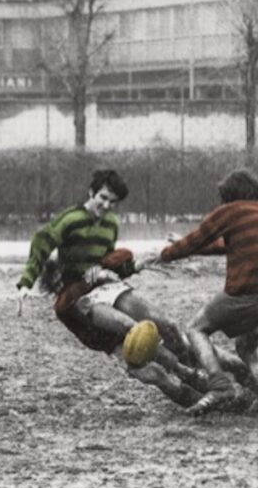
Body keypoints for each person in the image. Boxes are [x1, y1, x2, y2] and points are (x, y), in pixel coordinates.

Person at [15, 169, 209, 409]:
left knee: (164, 326)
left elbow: (111, 264)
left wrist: (138, 264)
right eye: (103, 198)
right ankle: (187, 392)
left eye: (112, 202)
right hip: (78, 295)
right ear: (91, 192)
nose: (106, 205)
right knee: (134, 345)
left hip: (105, 286)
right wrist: (26, 281)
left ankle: (202, 378)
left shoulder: (110, 224)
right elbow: (42, 241)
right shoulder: (71, 219)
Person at [144, 168, 258, 420]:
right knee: (246, 348)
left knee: (195, 328)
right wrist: (187, 246)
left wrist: (165, 254)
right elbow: (224, 245)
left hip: (253, 290)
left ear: (230, 196)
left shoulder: (231, 211)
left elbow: (197, 238)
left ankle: (219, 386)